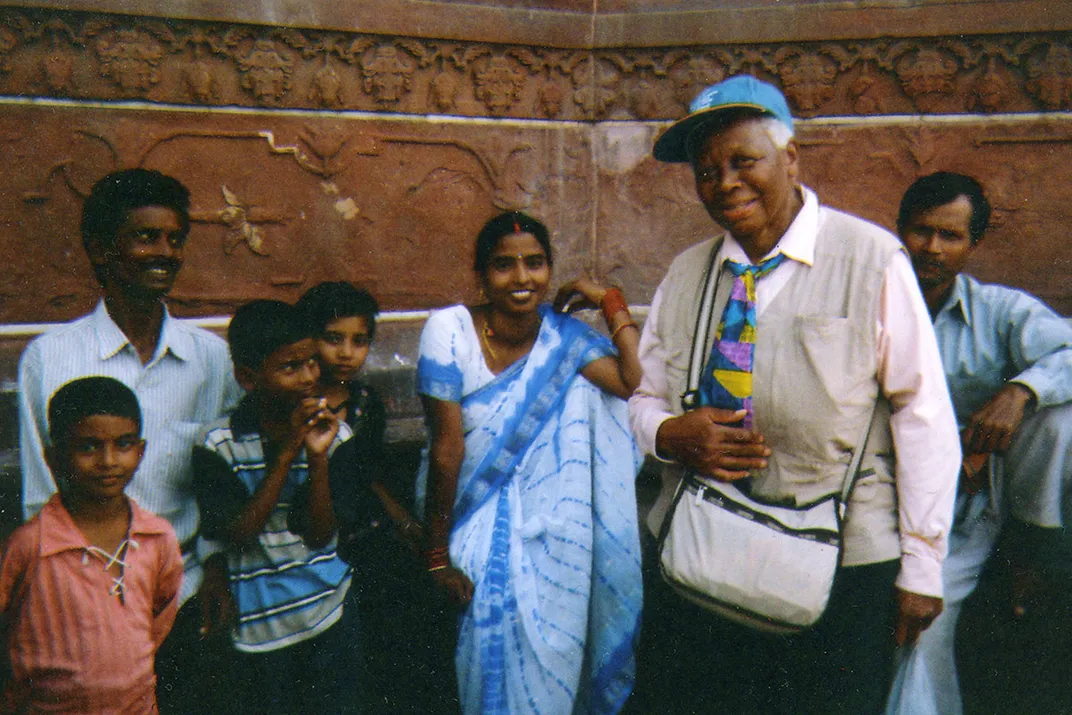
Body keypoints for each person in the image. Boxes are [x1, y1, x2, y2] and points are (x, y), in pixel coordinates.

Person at [626, 75, 961, 714]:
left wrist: (921, 566)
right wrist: (670, 433)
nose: (724, 183)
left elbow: (924, 414)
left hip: (840, 558)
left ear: (790, 157)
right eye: (707, 171)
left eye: (743, 161)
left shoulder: (870, 258)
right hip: (703, 549)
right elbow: (645, 398)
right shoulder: (689, 270)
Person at [16, 168, 242, 713]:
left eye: (174, 238)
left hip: (186, 596)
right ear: (101, 249)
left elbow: (223, 480)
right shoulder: (51, 358)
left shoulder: (210, 358)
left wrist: (213, 568)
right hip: (83, 607)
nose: (164, 252)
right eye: (145, 237)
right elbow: (39, 497)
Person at [415, 211, 644, 714]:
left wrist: (609, 300)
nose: (522, 278)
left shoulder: (562, 337)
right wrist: (436, 557)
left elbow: (630, 381)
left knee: (553, 676)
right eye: (504, 265)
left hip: (556, 541)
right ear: (481, 275)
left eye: (535, 264)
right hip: (469, 525)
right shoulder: (449, 330)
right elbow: (447, 451)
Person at [885, 172, 1072, 715]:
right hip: (893, 490)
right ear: (900, 232)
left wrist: (1020, 389)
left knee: (1059, 416)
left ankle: (1032, 548)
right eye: (922, 232)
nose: (933, 248)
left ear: (973, 244)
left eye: (951, 236)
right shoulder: (873, 304)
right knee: (918, 626)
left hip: (977, 497)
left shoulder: (1000, 311)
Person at [192, 299, 363, 715]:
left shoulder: (336, 437)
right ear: (247, 378)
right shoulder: (218, 444)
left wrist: (317, 458)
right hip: (257, 627)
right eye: (290, 368)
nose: (309, 378)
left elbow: (321, 532)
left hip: (329, 613)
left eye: (311, 363)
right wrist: (287, 453)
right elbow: (237, 533)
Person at [297, 281, 443, 713]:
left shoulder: (363, 401)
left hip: (362, 530)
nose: (347, 353)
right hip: (312, 534)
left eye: (359, 341)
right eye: (333, 338)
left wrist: (404, 520)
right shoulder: (292, 400)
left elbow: (370, 473)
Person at [0, 376, 183, 713]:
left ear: (141, 451)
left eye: (124, 444)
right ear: (54, 458)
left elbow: (157, 620)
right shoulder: (30, 546)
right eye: (88, 446)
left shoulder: (158, 538)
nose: (108, 461)